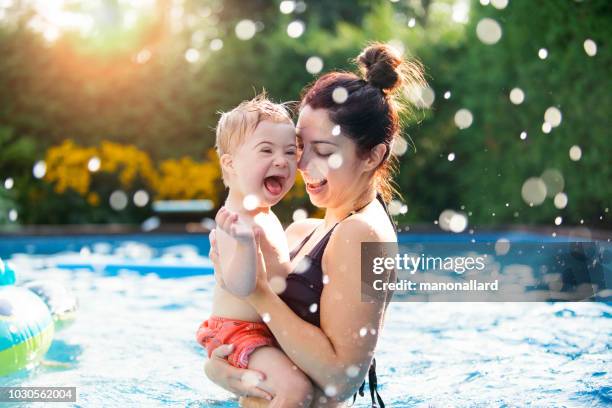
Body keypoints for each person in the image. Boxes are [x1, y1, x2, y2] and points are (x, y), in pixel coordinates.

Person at [205, 43, 426, 407]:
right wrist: (220, 369)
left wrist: (257, 291)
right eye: (298, 146)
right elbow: (263, 339)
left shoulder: (363, 235)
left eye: (323, 151)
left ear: (373, 156)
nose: (302, 164)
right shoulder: (302, 231)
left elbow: (342, 379)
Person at [196, 94, 315, 407]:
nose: (282, 160)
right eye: (267, 150)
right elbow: (241, 286)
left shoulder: (262, 212)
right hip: (239, 334)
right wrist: (246, 243)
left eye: (290, 152)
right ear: (231, 163)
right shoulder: (234, 220)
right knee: (295, 391)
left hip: (265, 331)